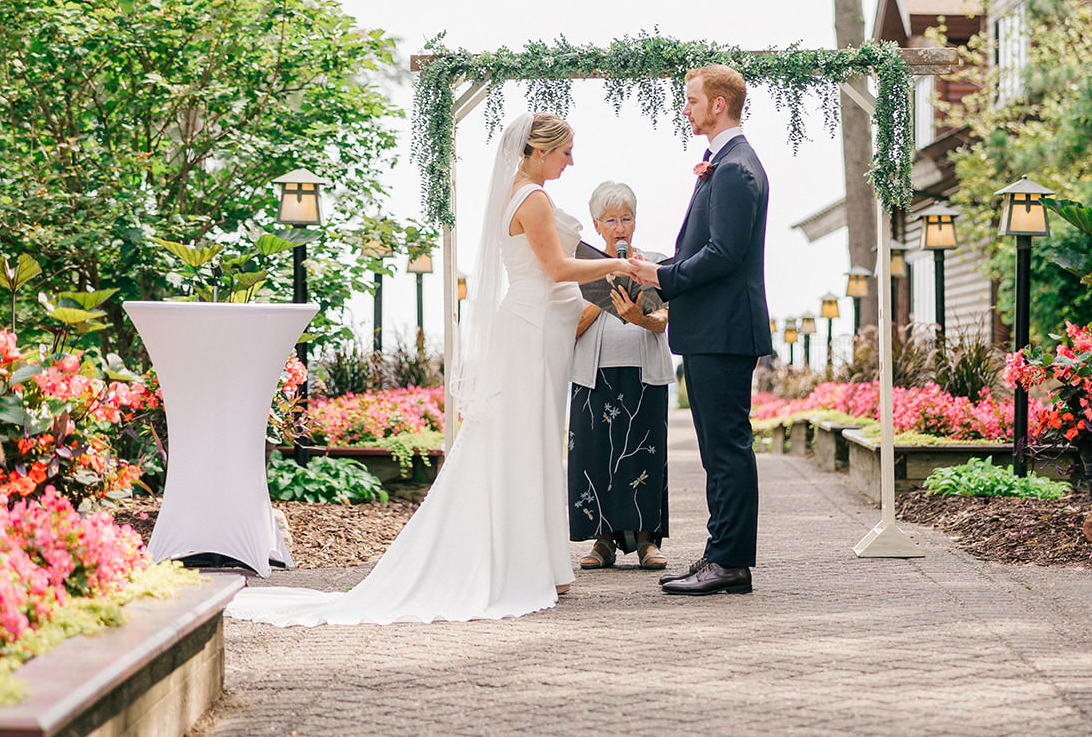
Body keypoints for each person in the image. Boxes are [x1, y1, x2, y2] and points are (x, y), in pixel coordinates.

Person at [226, 113, 634, 626]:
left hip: (541, 332)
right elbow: (555, 269)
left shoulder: (522, 192)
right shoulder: (530, 198)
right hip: (531, 332)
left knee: (533, 441)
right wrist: (616, 265)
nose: (571, 161)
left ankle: (543, 562)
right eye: (565, 151)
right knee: (523, 442)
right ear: (537, 149)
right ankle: (524, 563)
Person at [631, 64, 771, 597]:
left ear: (718, 104)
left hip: (724, 330)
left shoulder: (736, 168)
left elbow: (724, 254)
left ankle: (730, 561)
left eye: (691, 101)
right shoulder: (726, 162)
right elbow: (707, 250)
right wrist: (659, 266)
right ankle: (721, 556)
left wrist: (663, 277)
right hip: (715, 329)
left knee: (727, 449)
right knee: (718, 450)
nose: (684, 109)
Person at [569, 181, 672, 571]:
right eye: (611, 220)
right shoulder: (580, 267)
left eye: (626, 218)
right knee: (596, 456)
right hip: (593, 376)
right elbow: (569, 329)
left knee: (644, 457)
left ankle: (648, 541)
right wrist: (605, 296)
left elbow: (662, 321)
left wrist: (638, 316)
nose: (619, 227)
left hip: (645, 374)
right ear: (597, 225)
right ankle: (602, 541)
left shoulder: (653, 262)